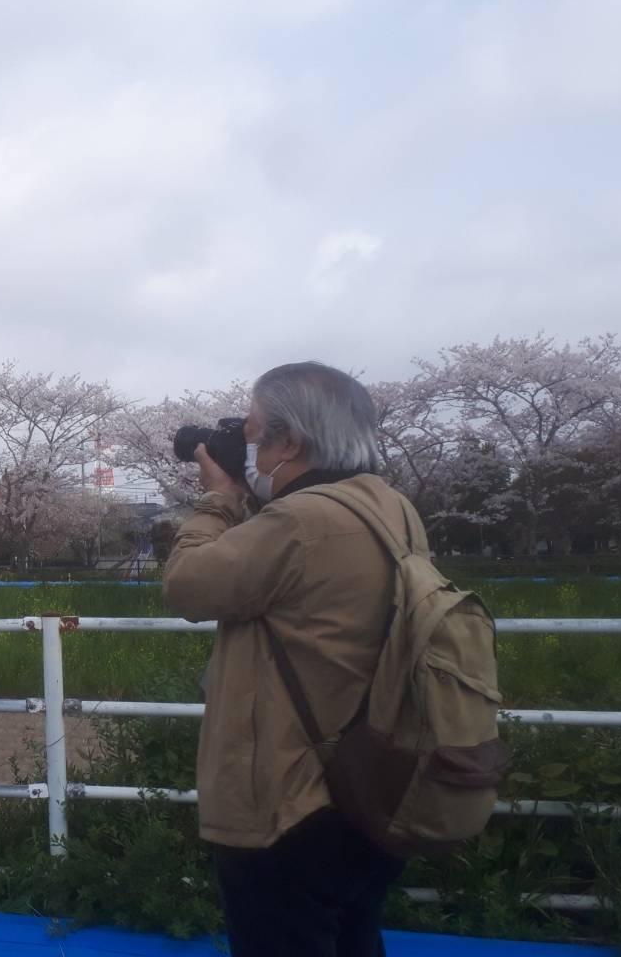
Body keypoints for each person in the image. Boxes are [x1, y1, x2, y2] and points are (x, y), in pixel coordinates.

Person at [162, 361, 415, 957]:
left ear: (290, 441)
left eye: (249, 431)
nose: (242, 445)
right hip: (366, 781)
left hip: (287, 803)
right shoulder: (386, 506)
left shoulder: (300, 521)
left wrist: (219, 499)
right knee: (353, 937)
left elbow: (187, 585)